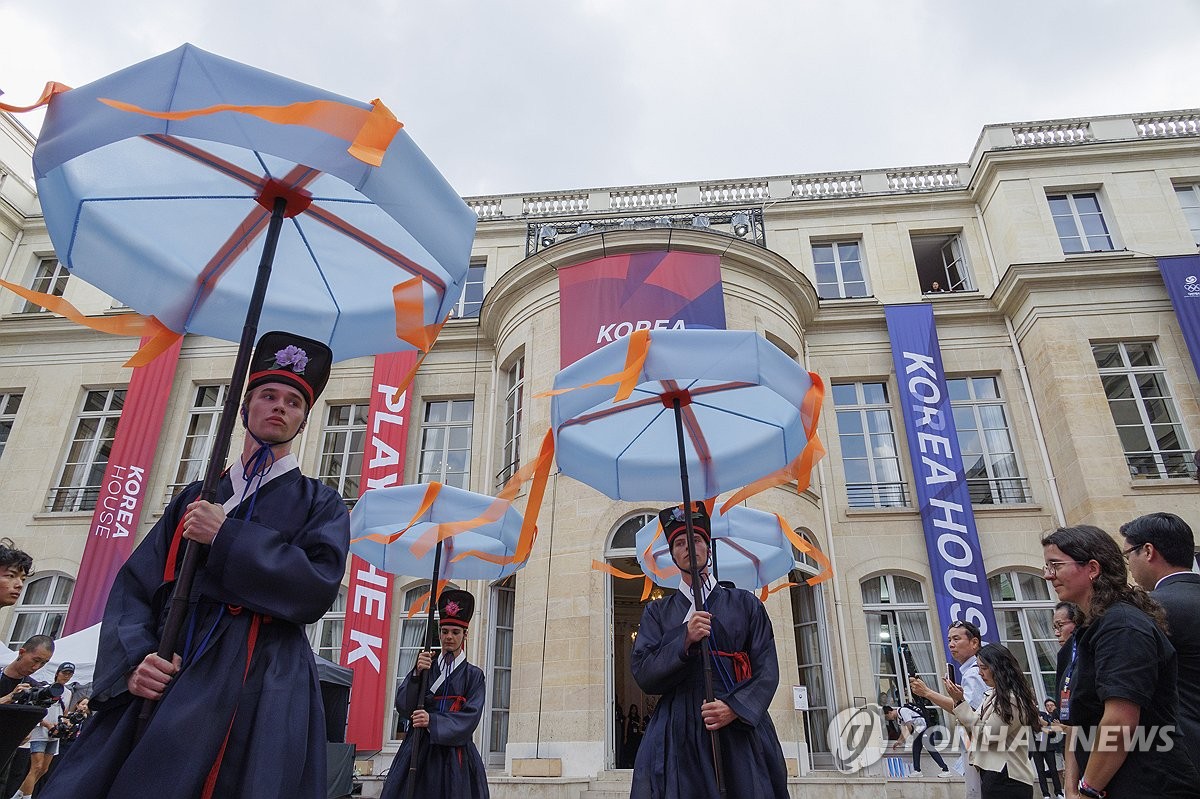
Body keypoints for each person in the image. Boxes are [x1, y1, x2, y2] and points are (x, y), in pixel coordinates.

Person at [41, 331, 349, 799]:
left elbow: (316, 588)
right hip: (173, 661)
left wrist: (227, 536)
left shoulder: (322, 504)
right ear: (244, 409)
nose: (279, 406)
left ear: (304, 420)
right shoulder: (194, 496)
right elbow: (137, 587)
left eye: (293, 401)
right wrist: (134, 662)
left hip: (264, 676)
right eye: (268, 395)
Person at [630, 504, 788, 799]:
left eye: (696, 539)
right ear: (673, 555)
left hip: (737, 729)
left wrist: (735, 709)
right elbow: (643, 673)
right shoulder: (657, 612)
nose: (689, 546)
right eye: (679, 542)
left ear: (708, 548)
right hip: (677, 733)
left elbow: (767, 670)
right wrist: (684, 639)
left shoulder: (746, 604)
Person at [1042, 524, 1199, 797]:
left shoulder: (1121, 625)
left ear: (1092, 568)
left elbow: (1119, 721)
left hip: (1148, 783)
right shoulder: (1090, 630)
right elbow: (1081, 722)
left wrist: (1089, 789)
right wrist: (1072, 785)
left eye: (1055, 565)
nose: (1047, 575)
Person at [381, 589, 489, 799]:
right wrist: (416, 674)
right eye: (445, 631)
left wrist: (432, 720)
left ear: (465, 635)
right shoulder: (425, 667)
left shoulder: (474, 675)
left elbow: (470, 719)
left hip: (456, 756)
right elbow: (403, 706)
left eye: (455, 632)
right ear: (439, 633)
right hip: (418, 750)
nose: (449, 637)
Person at [1119, 512, 1200, 773]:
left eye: (1128, 554)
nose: (1129, 564)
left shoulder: (1152, 609)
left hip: (1182, 756)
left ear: (1148, 551)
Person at [917, 643, 1037, 799]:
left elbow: (986, 736)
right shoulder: (994, 695)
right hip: (995, 774)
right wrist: (959, 703)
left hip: (1007, 776)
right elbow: (972, 726)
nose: (980, 673)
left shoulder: (1012, 699)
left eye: (984, 668)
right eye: (979, 668)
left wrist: (960, 703)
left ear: (999, 668)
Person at [13, 662, 73, 799]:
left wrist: (64, 724)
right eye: (65, 673)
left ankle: (19, 795)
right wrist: (47, 724)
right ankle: (26, 797)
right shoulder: (45, 689)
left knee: (44, 769)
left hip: (55, 732)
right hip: (40, 730)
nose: (67, 676)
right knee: (37, 766)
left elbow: (64, 712)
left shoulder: (68, 693)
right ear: (57, 673)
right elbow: (35, 710)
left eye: (70, 674)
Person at [946, 619, 986, 798]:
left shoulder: (974, 673)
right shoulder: (969, 672)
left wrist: (928, 693)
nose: (951, 645)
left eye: (956, 639)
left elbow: (968, 712)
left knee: (976, 791)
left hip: (980, 746)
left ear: (974, 642)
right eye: (949, 640)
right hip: (974, 744)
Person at [883, 703, 951, 777]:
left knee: (930, 749)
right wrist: (899, 741)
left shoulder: (903, 711)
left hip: (925, 729)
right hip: (919, 730)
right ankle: (917, 770)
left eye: (887, 717)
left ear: (890, 712)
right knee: (916, 749)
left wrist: (903, 740)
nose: (888, 719)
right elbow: (904, 730)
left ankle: (945, 769)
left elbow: (909, 728)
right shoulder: (900, 717)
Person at [1031, 698, 1065, 799]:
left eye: (1033, 704)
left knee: (1053, 769)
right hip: (1035, 746)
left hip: (1047, 745)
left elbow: (1050, 729)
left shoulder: (1043, 715)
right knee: (1040, 770)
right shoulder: (1026, 717)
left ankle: (1058, 792)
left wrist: (1041, 723)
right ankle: (1046, 794)